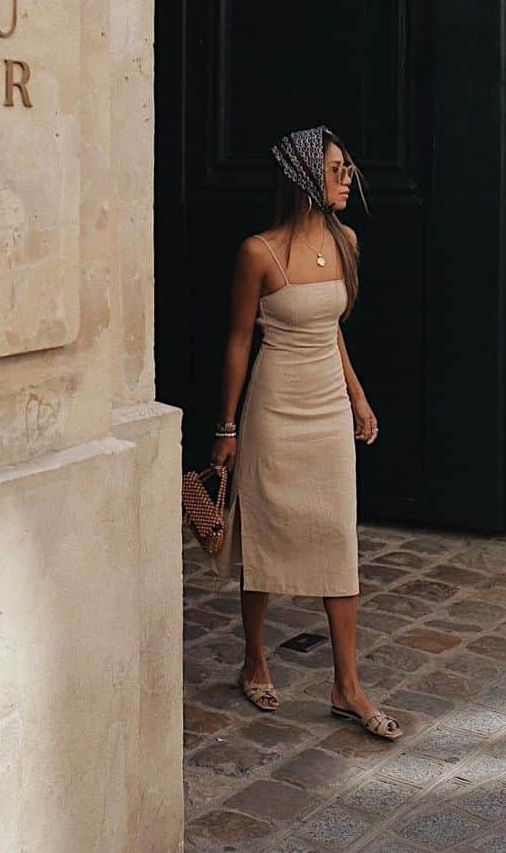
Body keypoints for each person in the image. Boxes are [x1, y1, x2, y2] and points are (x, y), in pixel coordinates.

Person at [210, 124, 401, 741]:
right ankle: (254, 660)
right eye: (336, 169)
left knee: (336, 536)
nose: (347, 179)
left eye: (348, 168)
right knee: (264, 530)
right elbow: (240, 341)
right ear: (302, 176)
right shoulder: (258, 252)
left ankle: (347, 685)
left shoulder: (346, 242)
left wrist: (358, 395)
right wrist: (227, 427)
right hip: (274, 404)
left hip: (325, 406)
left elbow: (331, 327)